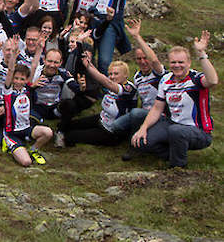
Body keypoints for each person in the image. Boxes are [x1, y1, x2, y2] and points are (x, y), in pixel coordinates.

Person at [131, 32, 217, 168]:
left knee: (176, 131)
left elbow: (212, 80)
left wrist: (201, 53)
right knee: (142, 142)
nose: (177, 65)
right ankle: (173, 152)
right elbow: (157, 108)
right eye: (173, 62)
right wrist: (143, 128)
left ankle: (178, 167)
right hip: (172, 124)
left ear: (189, 63)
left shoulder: (195, 78)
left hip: (198, 131)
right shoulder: (166, 80)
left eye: (181, 62)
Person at [57, 52, 137, 147]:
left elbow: (105, 81)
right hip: (103, 118)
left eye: (116, 74)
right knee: (68, 125)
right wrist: (88, 63)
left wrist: (88, 67)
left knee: (70, 136)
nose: (112, 76)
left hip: (112, 131)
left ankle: (64, 141)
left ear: (125, 75)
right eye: (110, 74)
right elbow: (103, 78)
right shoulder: (112, 84)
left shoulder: (128, 88)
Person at [1, 50, 52, 166]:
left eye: (22, 79)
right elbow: (10, 70)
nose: (19, 82)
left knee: (48, 133)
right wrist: (14, 56)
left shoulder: (27, 89)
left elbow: (33, 66)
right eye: (16, 78)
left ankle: (33, 149)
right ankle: (9, 144)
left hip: (27, 128)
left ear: (26, 80)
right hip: (12, 133)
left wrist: (40, 48)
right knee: (26, 162)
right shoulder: (8, 92)